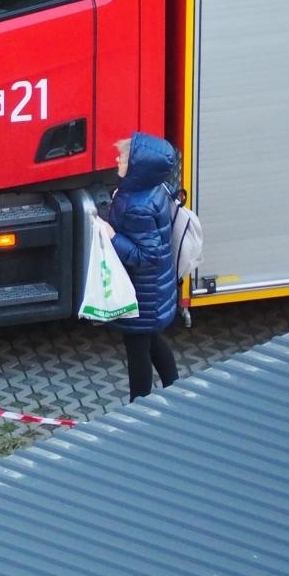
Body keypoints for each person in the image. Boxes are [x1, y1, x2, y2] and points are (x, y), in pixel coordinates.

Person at [102, 133, 180, 401]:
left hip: (142, 292)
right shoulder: (150, 190)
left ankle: (139, 405)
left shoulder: (138, 206)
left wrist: (111, 235)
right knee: (152, 339)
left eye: (123, 157)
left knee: (137, 349)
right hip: (153, 289)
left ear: (139, 168)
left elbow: (143, 256)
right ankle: (174, 387)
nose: (117, 159)